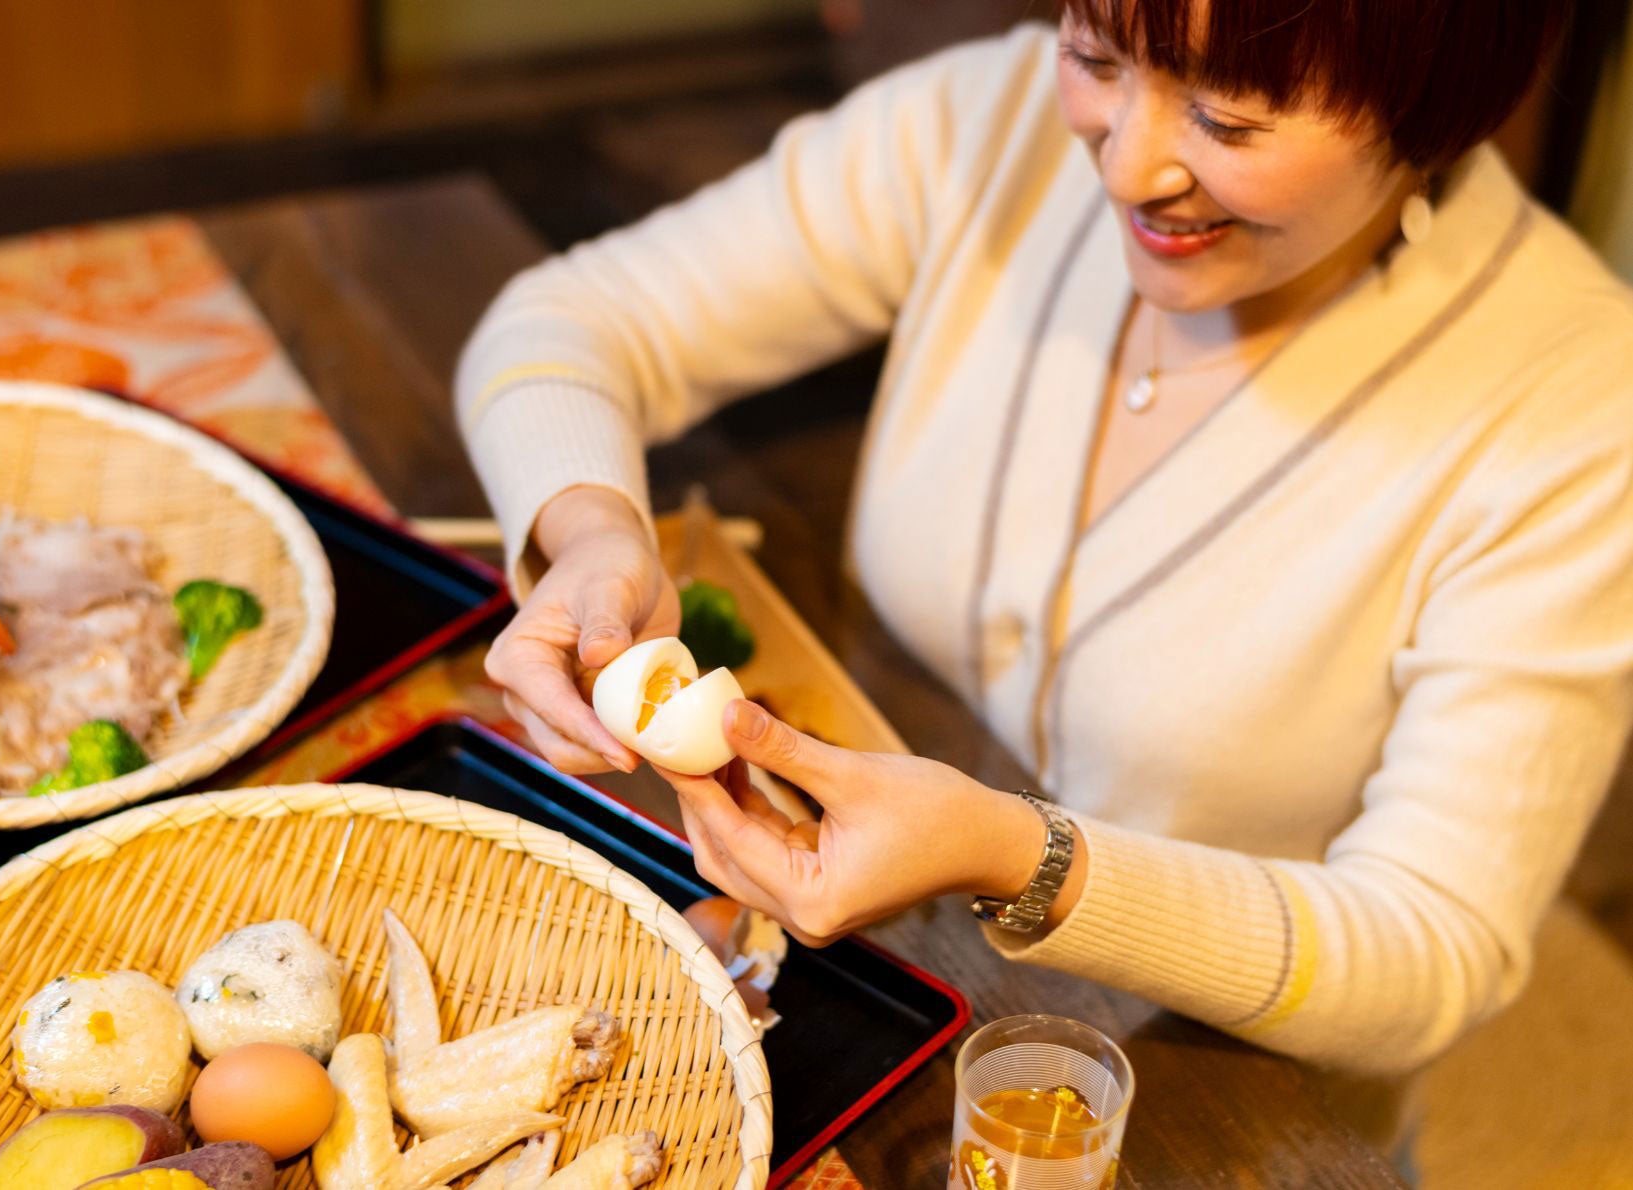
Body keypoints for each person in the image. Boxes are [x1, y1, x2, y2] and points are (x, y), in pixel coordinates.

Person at [454, 0, 1633, 1152]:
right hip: (876, 993)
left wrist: (1029, 858)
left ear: (1432, 104)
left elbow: (1431, 946)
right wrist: (595, 528)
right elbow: (569, 320)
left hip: (1216, 1105)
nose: (1127, 166)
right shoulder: (994, 123)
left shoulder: (1576, 407)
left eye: (1228, 121)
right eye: (1099, 54)